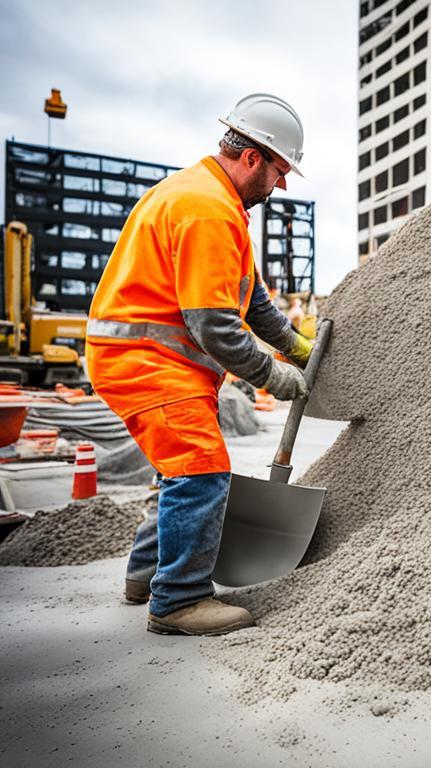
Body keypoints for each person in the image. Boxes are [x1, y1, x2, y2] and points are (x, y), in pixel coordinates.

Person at [86, 94, 314, 635]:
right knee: (201, 469)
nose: (281, 185)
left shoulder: (212, 198)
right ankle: (180, 599)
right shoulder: (207, 209)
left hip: (154, 359)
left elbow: (251, 298)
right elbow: (213, 324)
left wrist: (296, 343)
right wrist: (272, 373)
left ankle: (145, 574)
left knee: (178, 471)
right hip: (145, 359)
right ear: (253, 158)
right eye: (281, 171)